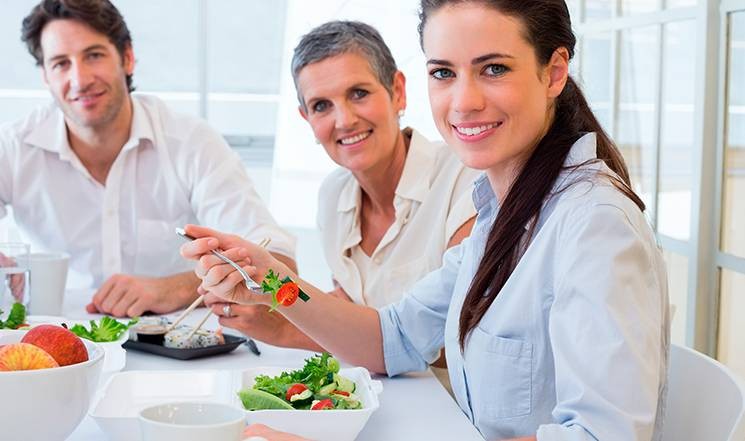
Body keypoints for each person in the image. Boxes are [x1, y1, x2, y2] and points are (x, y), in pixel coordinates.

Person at [183, 0, 670, 440]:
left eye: (494, 68)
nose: (463, 102)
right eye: (443, 73)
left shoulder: (593, 223)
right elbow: (389, 339)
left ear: (554, 73)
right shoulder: (502, 211)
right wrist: (271, 282)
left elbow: (600, 437)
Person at [202, 21, 477, 366]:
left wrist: (283, 324)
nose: (344, 120)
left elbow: (450, 340)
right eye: (321, 106)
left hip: (452, 410)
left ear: (397, 92)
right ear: (306, 119)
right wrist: (262, 300)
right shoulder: (334, 196)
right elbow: (348, 308)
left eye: (358, 94)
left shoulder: (464, 177)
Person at [0, 0, 296, 317]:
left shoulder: (190, 142)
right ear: (45, 76)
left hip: (178, 346)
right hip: (54, 347)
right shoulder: (14, 146)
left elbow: (282, 267)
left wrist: (173, 287)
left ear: (127, 58)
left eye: (94, 55)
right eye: (60, 63)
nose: (80, 79)